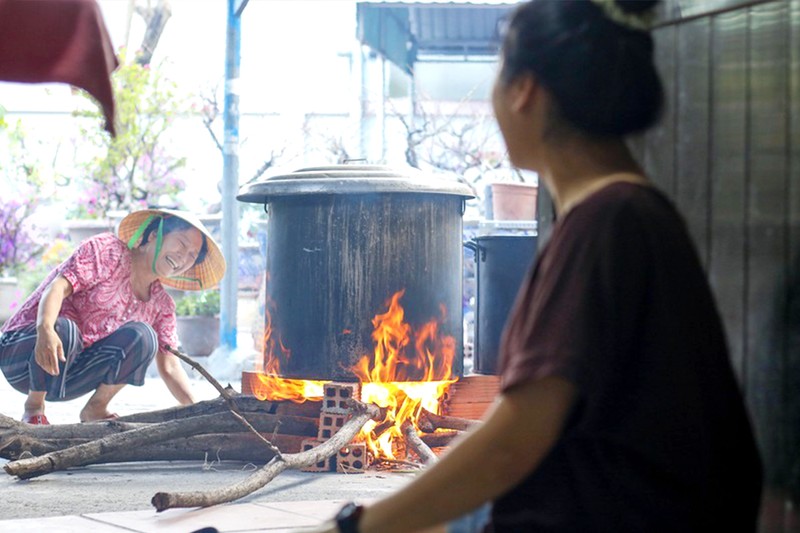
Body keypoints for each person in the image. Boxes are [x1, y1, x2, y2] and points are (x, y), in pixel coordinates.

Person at [314, 1, 763, 532]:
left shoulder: (610, 222)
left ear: (525, 88)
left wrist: (356, 525)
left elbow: (514, 442)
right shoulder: (623, 213)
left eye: (499, 72)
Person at [0, 208, 226, 424]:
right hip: (22, 355)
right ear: (154, 236)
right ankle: (34, 408)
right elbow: (57, 288)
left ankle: (95, 408)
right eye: (181, 243)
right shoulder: (107, 251)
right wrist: (45, 329)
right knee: (65, 329)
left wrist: (198, 410)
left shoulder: (162, 304)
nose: (183, 257)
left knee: (144, 336)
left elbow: (170, 367)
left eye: (191, 255)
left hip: (68, 373)